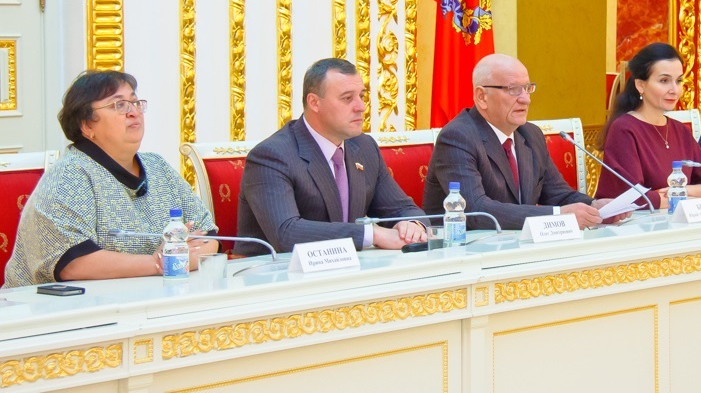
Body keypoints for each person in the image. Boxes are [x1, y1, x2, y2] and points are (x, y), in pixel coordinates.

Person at [4, 71, 218, 288]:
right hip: (55, 304)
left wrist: (181, 257)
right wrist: (161, 263)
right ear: (87, 125)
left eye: (135, 103)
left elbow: (209, 235)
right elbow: (73, 264)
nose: (133, 112)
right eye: (119, 105)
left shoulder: (157, 166)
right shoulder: (69, 174)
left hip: (148, 295)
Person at [235, 58, 428, 256]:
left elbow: (403, 209)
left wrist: (412, 225)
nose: (361, 106)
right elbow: (286, 233)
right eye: (347, 98)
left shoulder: (364, 147)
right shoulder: (272, 156)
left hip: (348, 268)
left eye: (361, 96)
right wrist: (371, 234)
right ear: (314, 102)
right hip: (274, 270)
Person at [423, 54, 617, 230]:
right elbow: (475, 210)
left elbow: (557, 193)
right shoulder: (457, 137)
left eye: (527, 89)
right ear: (482, 97)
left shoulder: (530, 134)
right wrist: (558, 215)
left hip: (519, 244)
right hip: (465, 248)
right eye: (513, 90)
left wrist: (595, 206)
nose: (526, 100)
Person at [596, 43, 701, 208]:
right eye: (664, 81)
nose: (674, 90)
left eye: (679, 81)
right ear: (640, 85)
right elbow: (633, 197)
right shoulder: (624, 129)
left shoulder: (681, 130)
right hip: (638, 222)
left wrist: (683, 191)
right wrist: (682, 196)